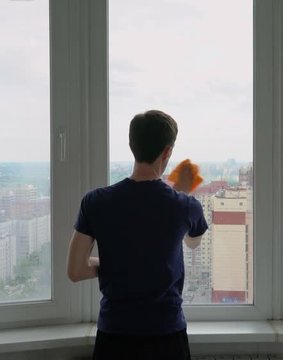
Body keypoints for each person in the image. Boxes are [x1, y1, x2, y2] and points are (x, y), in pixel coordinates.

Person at [67, 109, 208, 360]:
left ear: (132, 146)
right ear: (168, 152)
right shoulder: (185, 206)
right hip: (167, 336)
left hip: (114, 336)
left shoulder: (95, 202)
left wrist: (115, 263)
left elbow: (76, 270)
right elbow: (193, 243)